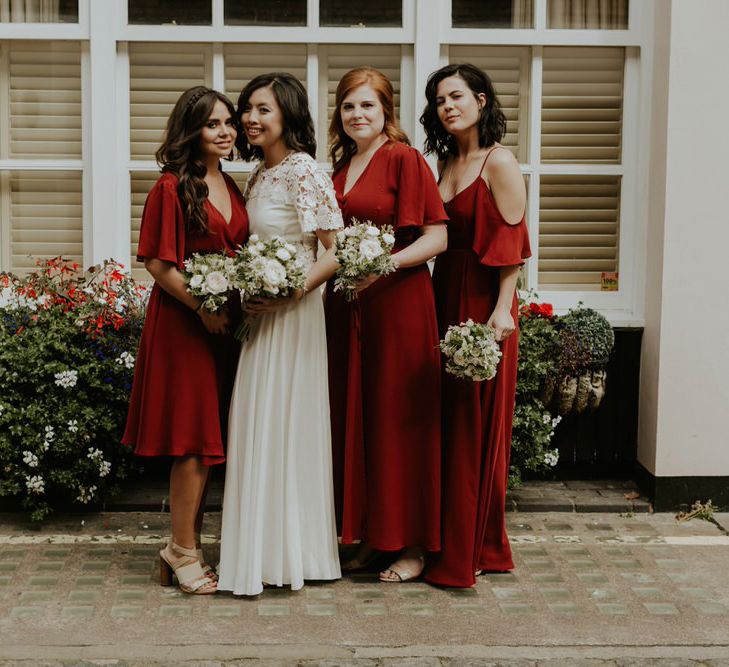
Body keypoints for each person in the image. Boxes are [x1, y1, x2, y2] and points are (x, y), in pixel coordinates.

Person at [217, 73, 343, 596]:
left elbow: (333, 253)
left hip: (294, 314)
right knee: (257, 418)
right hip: (259, 315)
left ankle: (296, 550)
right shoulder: (256, 177)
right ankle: (261, 548)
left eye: (262, 109)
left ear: (287, 114)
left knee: (288, 419)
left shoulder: (304, 172)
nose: (250, 118)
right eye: (246, 109)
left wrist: (291, 292)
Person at [122, 86, 249, 595]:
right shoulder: (171, 188)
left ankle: (182, 547)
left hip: (226, 328)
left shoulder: (231, 184)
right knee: (193, 440)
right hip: (186, 325)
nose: (225, 131)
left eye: (229, 123)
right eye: (212, 124)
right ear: (190, 131)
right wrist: (203, 308)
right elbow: (157, 263)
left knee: (212, 440)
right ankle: (182, 550)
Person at [325, 67, 448, 583]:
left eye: (367, 107)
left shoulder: (404, 159)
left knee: (398, 420)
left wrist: (383, 265)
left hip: (398, 305)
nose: (357, 115)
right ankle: (374, 536)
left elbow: (436, 237)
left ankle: (413, 545)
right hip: (347, 308)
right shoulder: (338, 166)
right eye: (349, 106)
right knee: (359, 418)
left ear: (385, 112)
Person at [420, 63, 531, 588]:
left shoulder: (499, 161)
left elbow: (512, 245)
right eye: (440, 99)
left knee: (473, 424)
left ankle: (473, 547)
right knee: (442, 422)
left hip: (485, 300)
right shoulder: (443, 159)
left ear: (482, 101)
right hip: (442, 292)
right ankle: (444, 538)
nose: (448, 106)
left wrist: (503, 309)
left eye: (458, 96)